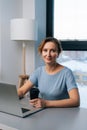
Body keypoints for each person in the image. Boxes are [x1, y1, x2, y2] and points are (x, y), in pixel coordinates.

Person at [17, 37, 80, 108]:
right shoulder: (38, 71)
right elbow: (22, 91)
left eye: (52, 51)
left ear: (58, 53)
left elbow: (76, 101)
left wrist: (46, 103)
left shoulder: (67, 73)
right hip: (42, 112)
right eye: (45, 50)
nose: (48, 54)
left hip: (62, 114)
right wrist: (9, 96)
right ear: (41, 53)